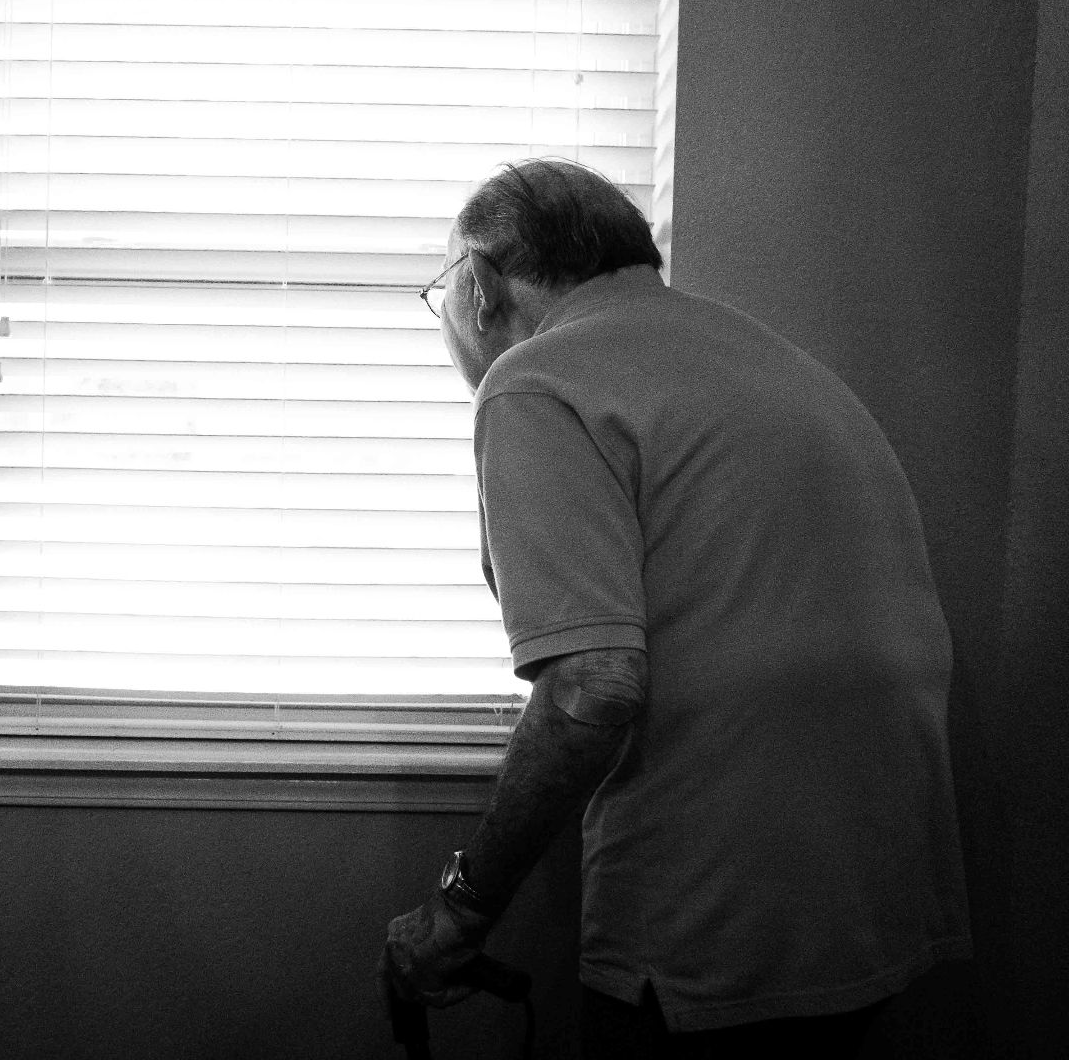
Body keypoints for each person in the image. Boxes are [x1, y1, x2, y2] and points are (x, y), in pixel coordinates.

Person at [379, 159, 972, 1058]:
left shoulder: (537, 378)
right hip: (873, 889)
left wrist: (461, 908)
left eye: (440, 294)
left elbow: (593, 687)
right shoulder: (767, 358)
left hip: (718, 905)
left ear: (480, 284)